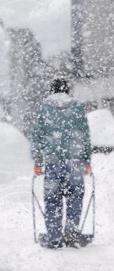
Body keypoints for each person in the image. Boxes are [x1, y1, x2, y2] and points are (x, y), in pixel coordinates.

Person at [31, 77, 92, 248]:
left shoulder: (44, 108)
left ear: (52, 90)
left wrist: (37, 161)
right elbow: (85, 135)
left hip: (53, 162)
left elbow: (37, 136)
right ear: (67, 90)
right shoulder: (77, 107)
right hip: (75, 161)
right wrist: (86, 160)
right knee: (75, 197)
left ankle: (54, 237)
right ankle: (72, 234)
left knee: (52, 200)